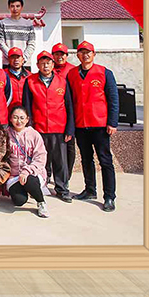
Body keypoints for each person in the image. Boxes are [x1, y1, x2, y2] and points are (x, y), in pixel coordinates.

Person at [67, 40, 119, 211]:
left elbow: (113, 99)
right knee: (86, 159)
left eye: (88, 52)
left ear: (94, 54)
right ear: (78, 55)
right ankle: (90, 189)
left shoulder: (104, 73)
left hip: (100, 125)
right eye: (82, 52)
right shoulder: (72, 74)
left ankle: (109, 196)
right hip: (81, 125)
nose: (85, 55)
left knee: (105, 160)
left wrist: (112, 122)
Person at [23, 50, 75, 202]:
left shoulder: (62, 81)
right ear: (37, 65)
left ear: (53, 64)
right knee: (40, 160)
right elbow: (27, 105)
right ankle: (40, 186)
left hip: (59, 127)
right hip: (38, 128)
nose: (45, 66)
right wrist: (29, 127)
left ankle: (62, 189)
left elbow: (69, 106)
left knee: (60, 161)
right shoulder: (30, 81)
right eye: (42, 63)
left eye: (48, 63)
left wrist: (69, 128)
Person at [5, 104, 49, 218]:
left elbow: (40, 157)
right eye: (15, 117)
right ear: (10, 119)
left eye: (22, 118)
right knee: (19, 201)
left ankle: (41, 202)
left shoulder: (34, 135)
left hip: (32, 173)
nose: (18, 121)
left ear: (27, 119)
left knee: (29, 180)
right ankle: (30, 191)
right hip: (14, 175)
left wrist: (26, 171)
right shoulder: (6, 134)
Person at [53, 42, 77, 176]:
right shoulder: (48, 69)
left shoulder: (73, 70)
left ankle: (67, 175)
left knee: (69, 145)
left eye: (62, 54)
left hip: (70, 109)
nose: (60, 57)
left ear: (67, 56)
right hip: (54, 112)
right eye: (57, 54)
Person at [0, 0, 36, 64]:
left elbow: (31, 43)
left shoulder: (28, 24)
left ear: (22, 7)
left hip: (24, 63)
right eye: (12, 6)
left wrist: (23, 57)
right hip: (8, 62)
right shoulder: (3, 23)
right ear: (9, 7)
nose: (15, 9)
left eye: (17, 6)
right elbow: (1, 42)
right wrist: (11, 56)